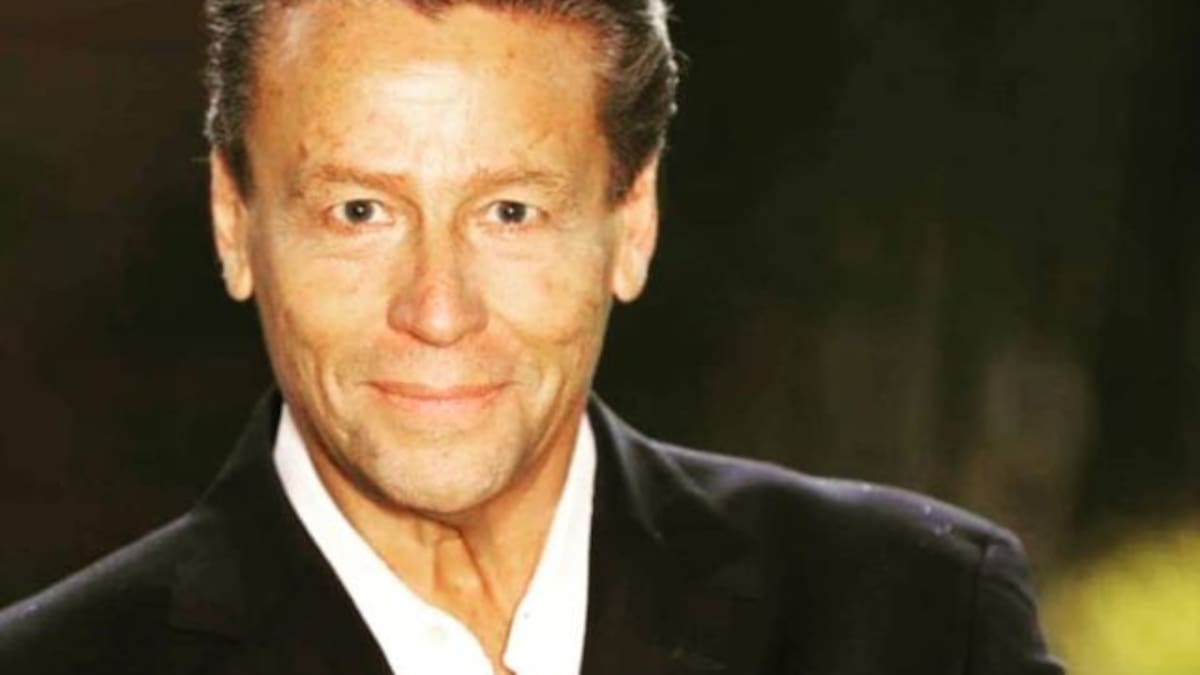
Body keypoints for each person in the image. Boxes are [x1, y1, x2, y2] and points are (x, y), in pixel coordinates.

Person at [0, 1, 1065, 673]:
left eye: (511, 212)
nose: (438, 310)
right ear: (235, 227)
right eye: (359, 212)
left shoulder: (923, 619)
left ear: (631, 225)